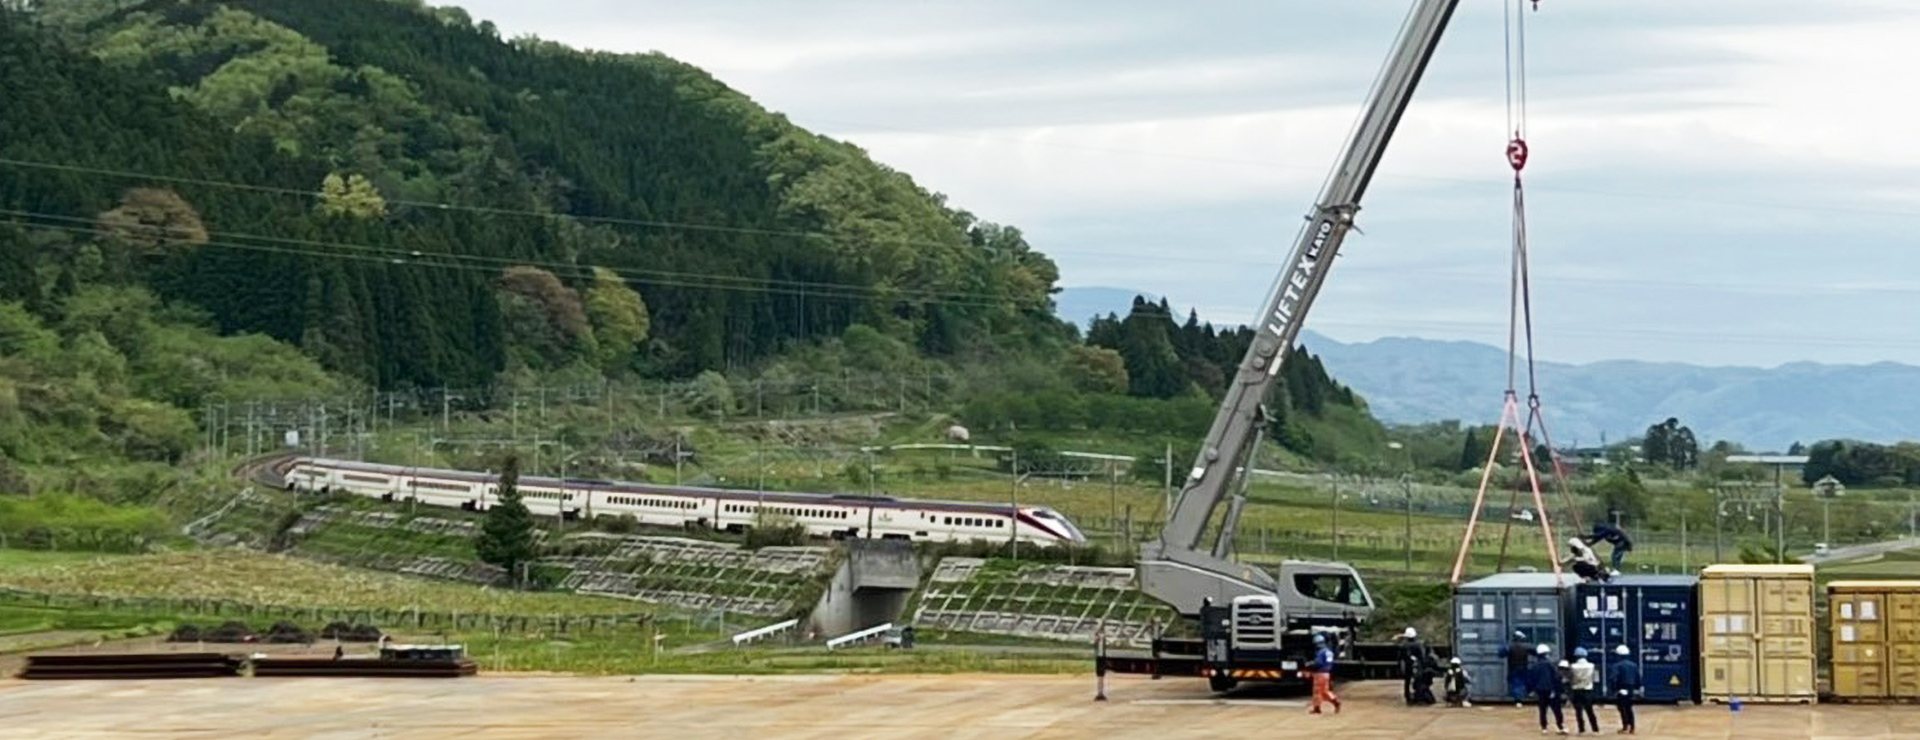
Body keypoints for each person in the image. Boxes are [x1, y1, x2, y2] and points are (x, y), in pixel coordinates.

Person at [1529, 643, 1567, 735]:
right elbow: (1556, 677)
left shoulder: (1535, 666)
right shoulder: (1550, 664)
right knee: (1556, 709)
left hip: (1540, 690)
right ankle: (1560, 726)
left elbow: (1532, 679)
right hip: (1551, 690)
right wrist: (1560, 690)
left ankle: (1544, 728)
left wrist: (1532, 690)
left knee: (1543, 709)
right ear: (1546, 654)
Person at [1400, 627, 1437, 705]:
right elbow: (1422, 657)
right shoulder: (1418, 645)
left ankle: (1408, 698)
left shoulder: (1404, 646)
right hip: (1417, 667)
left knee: (1407, 682)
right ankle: (1419, 697)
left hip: (1408, 666)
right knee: (1419, 682)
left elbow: (1401, 657)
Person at [1608, 645, 1640, 734]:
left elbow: (1613, 678)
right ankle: (1632, 727)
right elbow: (1638, 677)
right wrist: (1637, 688)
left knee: (1622, 708)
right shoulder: (1634, 665)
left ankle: (1625, 726)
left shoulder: (1617, 665)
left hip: (1621, 688)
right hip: (1630, 688)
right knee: (1629, 708)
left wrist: (1613, 689)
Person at [1569, 648, 1600, 735]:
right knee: (1590, 710)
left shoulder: (1572, 666)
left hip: (1576, 690)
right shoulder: (1592, 666)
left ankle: (1581, 729)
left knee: (1578, 711)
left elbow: (1570, 678)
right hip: (1588, 690)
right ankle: (1595, 729)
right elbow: (1596, 679)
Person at [1309, 633, 1342, 715]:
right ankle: (1334, 701)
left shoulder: (1321, 652)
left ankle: (1317, 708)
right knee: (1324, 691)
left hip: (1320, 673)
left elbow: (1318, 663)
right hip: (1327, 673)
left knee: (1317, 691)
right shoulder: (1328, 651)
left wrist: (1310, 664)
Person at [1502, 630, 1533, 706]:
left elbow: (1501, 654)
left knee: (1516, 684)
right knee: (1523, 683)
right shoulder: (1526, 646)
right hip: (1523, 668)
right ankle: (1525, 695)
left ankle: (1518, 700)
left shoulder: (1510, 647)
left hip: (1513, 668)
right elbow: (1536, 652)